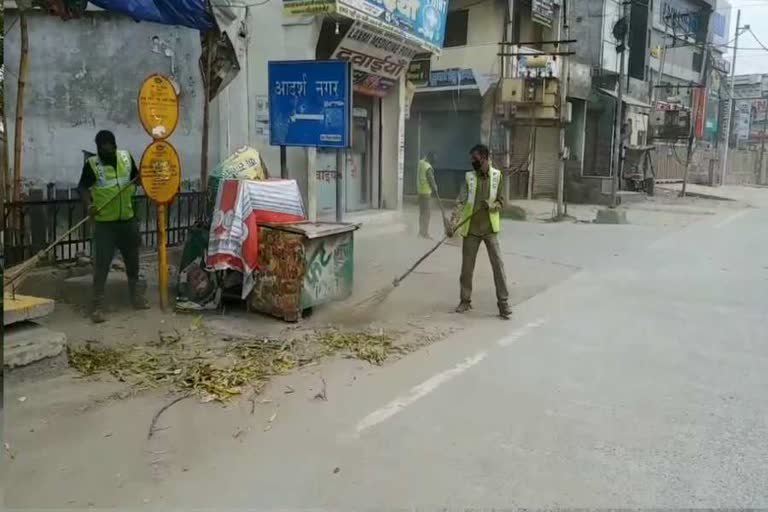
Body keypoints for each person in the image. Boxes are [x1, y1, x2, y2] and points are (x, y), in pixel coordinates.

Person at [78, 130, 148, 323]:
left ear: (115, 146)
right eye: (102, 149)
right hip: (104, 225)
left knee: (132, 261)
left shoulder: (126, 158)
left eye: (109, 148)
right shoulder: (92, 165)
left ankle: (136, 298)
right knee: (101, 265)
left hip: (127, 220)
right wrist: (89, 205)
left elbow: (137, 178)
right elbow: (82, 187)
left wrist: (141, 179)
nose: (106, 152)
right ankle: (98, 306)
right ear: (98, 149)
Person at [447, 144, 511, 319]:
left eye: (475, 158)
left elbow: (502, 202)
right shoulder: (469, 177)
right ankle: (465, 300)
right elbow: (460, 201)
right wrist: (453, 222)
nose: (472, 161)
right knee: (467, 268)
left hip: (489, 229)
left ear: (484, 157)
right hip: (472, 230)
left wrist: (491, 206)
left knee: (498, 265)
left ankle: (503, 303)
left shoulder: (497, 176)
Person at [416, 152, 439, 239]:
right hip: (426, 193)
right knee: (427, 214)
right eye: (433, 161)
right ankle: (424, 233)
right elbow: (431, 180)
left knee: (422, 213)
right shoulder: (428, 167)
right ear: (430, 159)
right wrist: (435, 188)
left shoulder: (420, 163)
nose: (432, 163)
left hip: (419, 192)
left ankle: (420, 232)